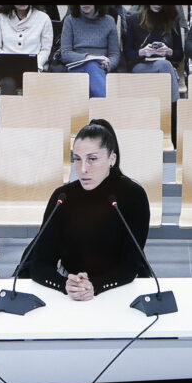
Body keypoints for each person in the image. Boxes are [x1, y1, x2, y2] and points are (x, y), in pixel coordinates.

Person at [19, 119, 150, 300]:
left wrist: (95, 286)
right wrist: (66, 286)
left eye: (92, 159)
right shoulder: (63, 197)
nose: (83, 169)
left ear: (112, 158)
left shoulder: (133, 196)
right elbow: (39, 264)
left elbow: (129, 266)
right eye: (77, 159)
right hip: (69, 290)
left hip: (119, 289)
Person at [124, 5, 184, 105]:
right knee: (165, 65)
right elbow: (128, 53)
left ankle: (170, 109)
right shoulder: (134, 20)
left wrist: (168, 51)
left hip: (166, 64)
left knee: (164, 65)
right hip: (141, 64)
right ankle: (174, 107)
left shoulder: (172, 20)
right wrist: (142, 52)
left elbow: (179, 54)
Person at [0, 5, 53, 95]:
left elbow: (46, 49)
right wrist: (4, 61)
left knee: (33, 83)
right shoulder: (1, 18)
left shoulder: (43, 18)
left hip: (34, 71)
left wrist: (37, 64)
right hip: (7, 71)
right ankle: (9, 109)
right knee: (8, 84)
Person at [60, 5, 120, 97]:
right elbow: (65, 53)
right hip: (78, 65)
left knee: (94, 67)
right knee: (91, 64)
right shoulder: (70, 20)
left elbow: (115, 54)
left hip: (101, 66)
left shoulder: (109, 21)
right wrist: (88, 58)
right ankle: (108, 103)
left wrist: (108, 64)